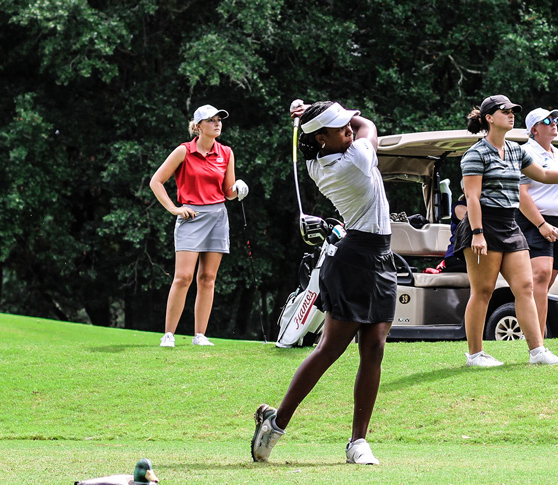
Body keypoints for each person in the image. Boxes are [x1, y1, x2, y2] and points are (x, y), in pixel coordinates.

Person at [252, 101, 395, 465]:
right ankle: (276, 422)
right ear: (321, 138)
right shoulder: (351, 160)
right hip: (353, 259)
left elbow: (354, 126)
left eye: (346, 123)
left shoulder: (325, 156)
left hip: (379, 255)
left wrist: (312, 112)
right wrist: (342, 112)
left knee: (375, 346)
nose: (348, 127)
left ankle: (358, 442)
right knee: (330, 348)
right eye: (339, 126)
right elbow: (370, 125)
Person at [456, 94, 558, 367]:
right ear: (489, 118)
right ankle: (475, 354)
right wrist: (477, 233)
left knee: (525, 286)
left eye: (514, 111)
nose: (512, 115)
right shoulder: (475, 154)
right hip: (484, 225)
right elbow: (472, 197)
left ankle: (537, 351)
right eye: (506, 111)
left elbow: (544, 175)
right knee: (484, 291)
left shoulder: (516, 150)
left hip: (510, 226)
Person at [149, 104, 249, 348]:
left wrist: (238, 190)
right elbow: (156, 181)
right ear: (198, 126)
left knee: (207, 278)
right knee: (183, 277)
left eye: (219, 120)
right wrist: (174, 208)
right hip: (191, 216)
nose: (217, 123)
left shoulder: (226, 152)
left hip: (217, 217)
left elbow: (227, 191)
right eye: (211, 120)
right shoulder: (184, 151)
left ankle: (200, 335)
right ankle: (169, 334)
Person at [515, 107, 558, 336]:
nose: (553, 122)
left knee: (543, 285)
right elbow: (521, 194)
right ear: (534, 129)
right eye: (547, 120)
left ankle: (535, 335)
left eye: (555, 119)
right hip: (535, 221)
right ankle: (537, 341)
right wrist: (541, 224)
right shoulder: (526, 152)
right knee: (540, 277)